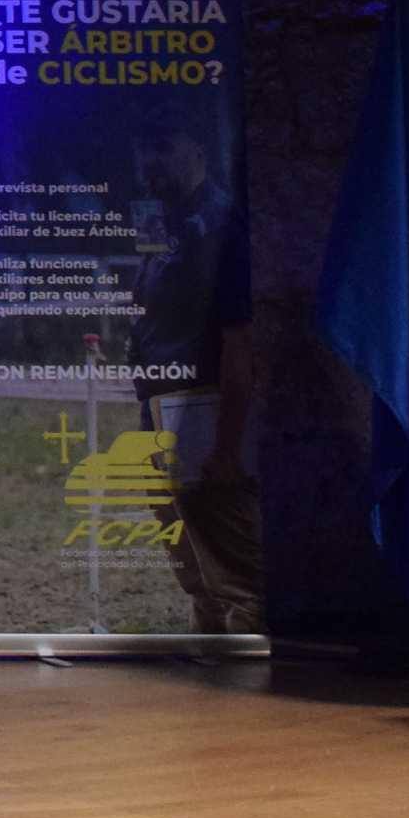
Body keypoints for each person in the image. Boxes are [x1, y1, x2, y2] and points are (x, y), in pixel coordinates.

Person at [128, 113, 262, 634]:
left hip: (202, 408)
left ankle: (246, 659)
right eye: (144, 148)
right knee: (180, 539)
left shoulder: (219, 225)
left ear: (200, 151)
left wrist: (226, 443)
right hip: (160, 403)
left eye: (163, 143)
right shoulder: (165, 219)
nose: (149, 160)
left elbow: (238, 339)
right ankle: (208, 643)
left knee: (226, 545)